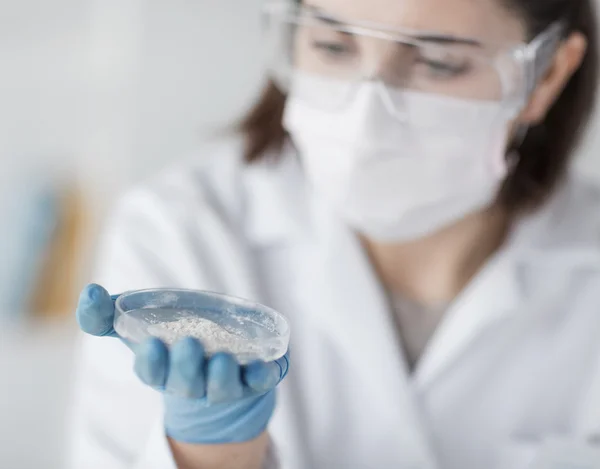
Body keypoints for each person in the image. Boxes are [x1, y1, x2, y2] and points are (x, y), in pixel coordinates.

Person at [68, 0, 600, 467]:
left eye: (439, 64)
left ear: (548, 72)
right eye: (332, 46)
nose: (369, 119)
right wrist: (212, 456)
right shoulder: (181, 227)